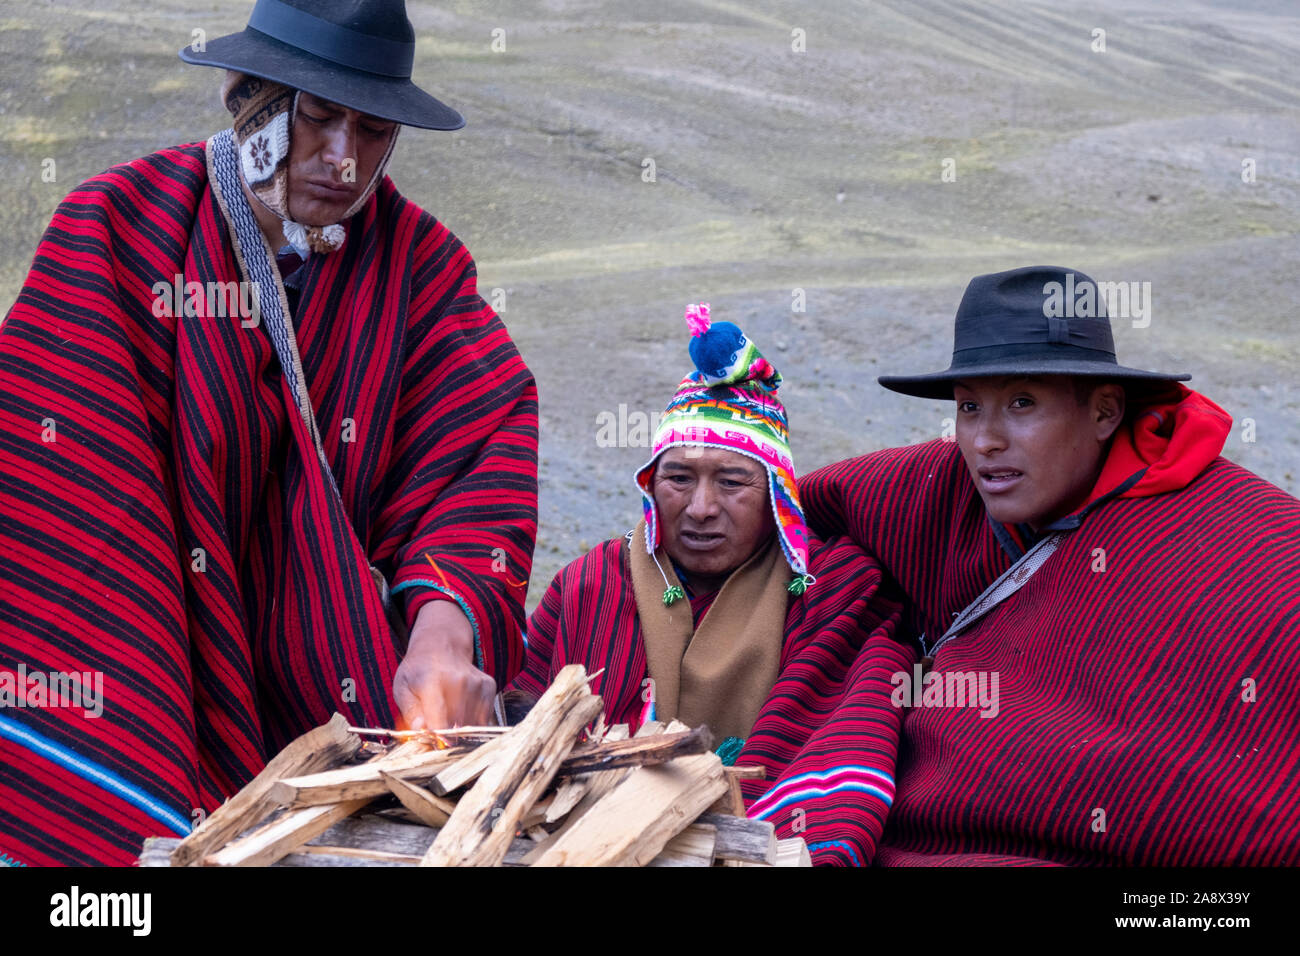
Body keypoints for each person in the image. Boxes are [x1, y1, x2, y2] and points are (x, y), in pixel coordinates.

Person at [0, 0, 537, 865]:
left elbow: (472, 467)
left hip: (342, 722)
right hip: (152, 676)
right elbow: (66, 510)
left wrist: (443, 631)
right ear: (241, 96)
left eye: (372, 128)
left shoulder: (424, 273)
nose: (341, 158)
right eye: (317, 115)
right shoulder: (112, 239)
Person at [796, 265, 1300, 865]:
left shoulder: (1239, 542)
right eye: (968, 407)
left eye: (1022, 402)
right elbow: (785, 511)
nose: (985, 440)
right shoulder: (947, 484)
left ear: (1106, 412)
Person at [510, 304, 914, 864]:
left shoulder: (834, 592)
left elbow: (842, 745)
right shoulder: (593, 584)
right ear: (651, 483)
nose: (701, 508)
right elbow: (523, 727)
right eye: (678, 477)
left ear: (776, 493)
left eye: (732, 481)